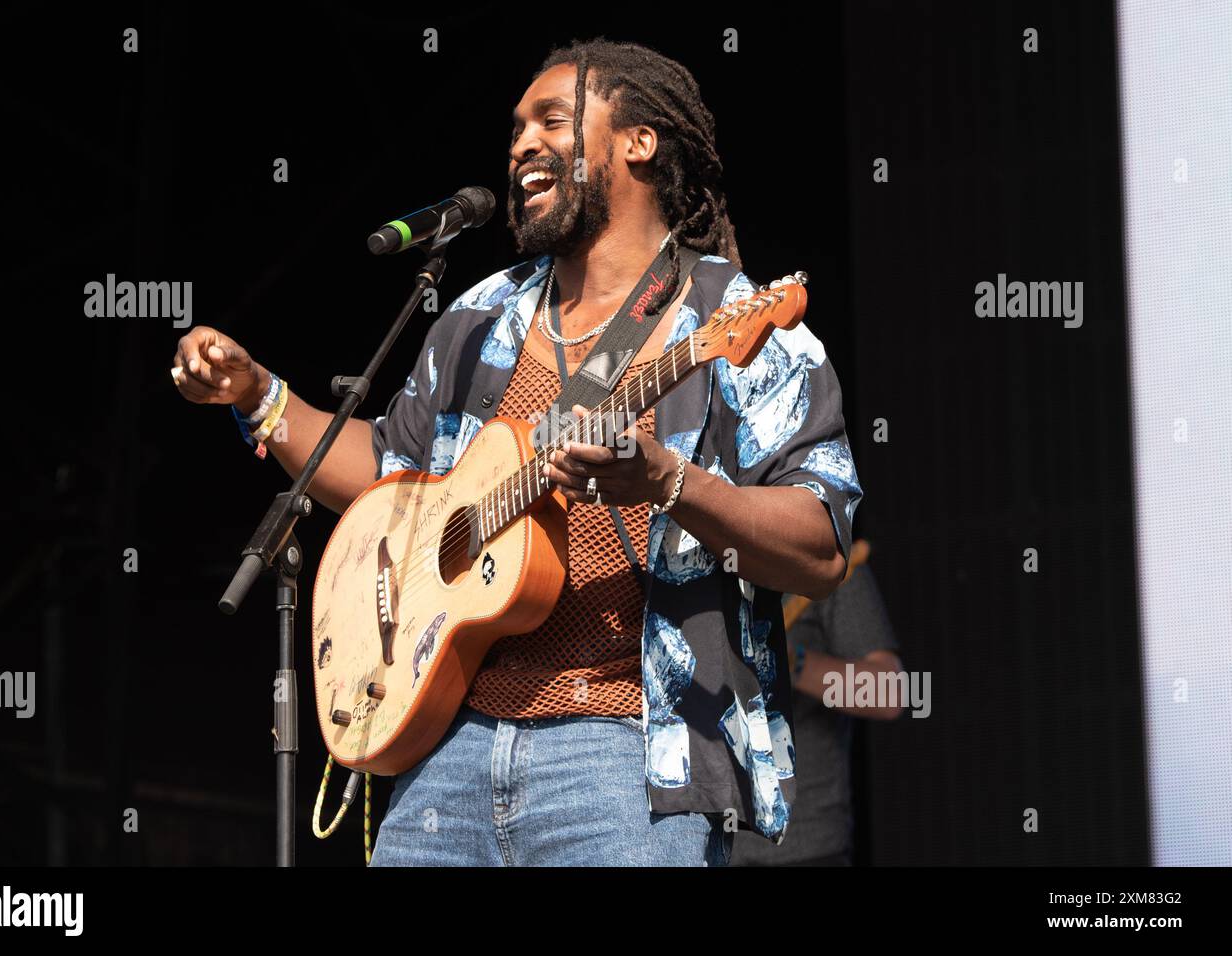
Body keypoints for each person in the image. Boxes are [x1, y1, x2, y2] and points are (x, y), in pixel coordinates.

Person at [171, 39, 862, 866]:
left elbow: (820, 546)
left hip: (623, 768)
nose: (521, 144)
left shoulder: (728, 316)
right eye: (515, 129)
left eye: (552, 121)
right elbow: (388, 473)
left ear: (640, 140)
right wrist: (259, 396)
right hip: (445, 754)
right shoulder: (479, 317)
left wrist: (666, 480)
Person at [730, 554, 902, 866]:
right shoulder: (691, 559)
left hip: (806, 846)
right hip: (702, 843)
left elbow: (888, 693)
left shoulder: (828, 563)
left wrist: (790, 661)